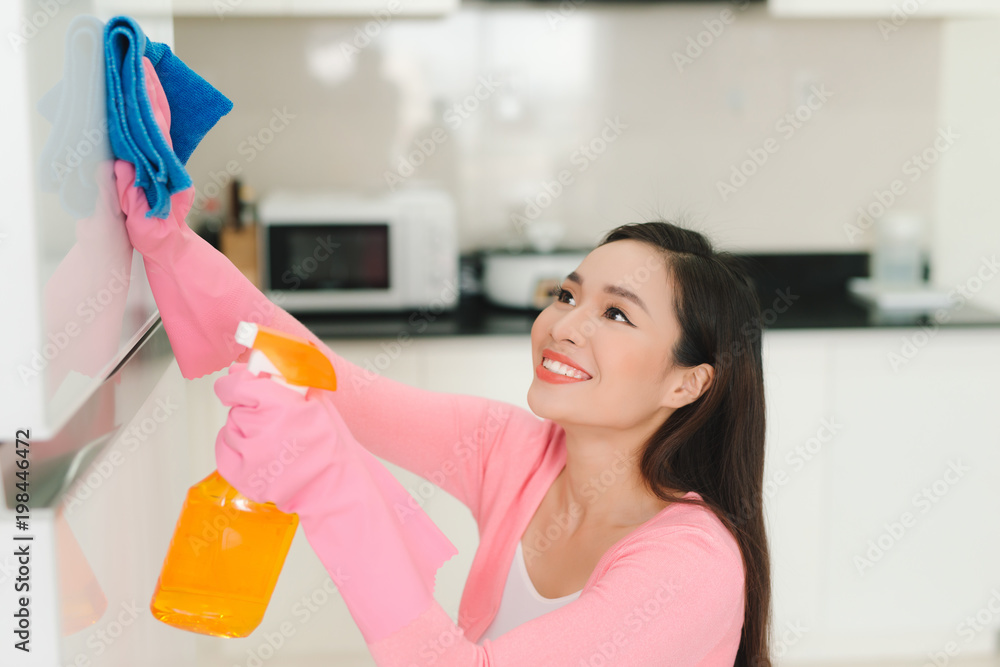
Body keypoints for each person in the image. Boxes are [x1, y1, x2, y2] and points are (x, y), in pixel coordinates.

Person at [117, 57, 772, 667]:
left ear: (689, 381)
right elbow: (329, 377)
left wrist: (333, 486)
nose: (563, 325)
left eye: (616, 313)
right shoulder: (517, 455)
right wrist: (170, 245)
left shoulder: (690, 566)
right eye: (567, 294)